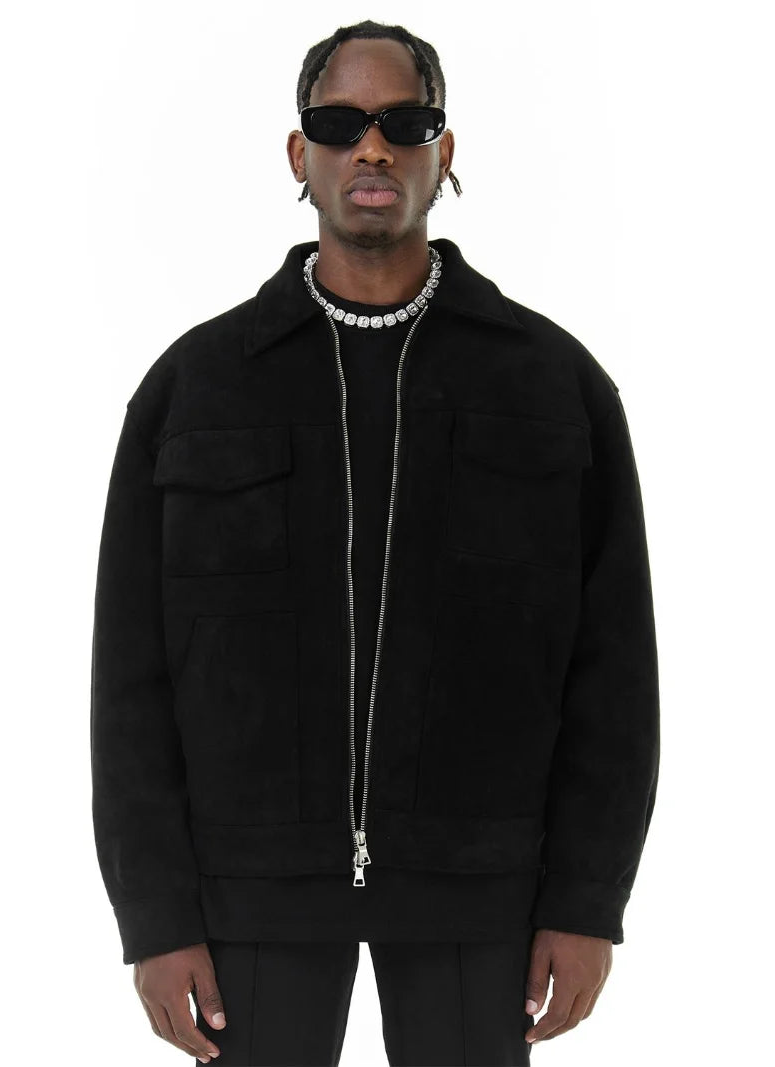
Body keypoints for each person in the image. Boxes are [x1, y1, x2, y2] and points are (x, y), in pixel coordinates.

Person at [90, 19, 660, 1067]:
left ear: (444, 153)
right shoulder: (196, 389)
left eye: (404, 124)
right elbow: (130, 674)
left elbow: (612, 671)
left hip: (481, 879)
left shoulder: (552, 386)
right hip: (247, 886)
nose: (371, 147)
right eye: (338, 123)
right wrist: (154, 913)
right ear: (297, 153)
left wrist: (587, 899)